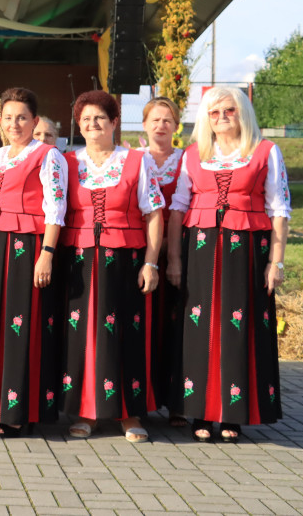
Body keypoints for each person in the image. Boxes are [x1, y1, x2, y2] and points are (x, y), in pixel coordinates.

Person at [166, 86, 290, 443]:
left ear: (243, 113)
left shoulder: (266, 152)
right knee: (199, 327)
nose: (222, 118)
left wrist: (275, 263)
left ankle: (233, 414)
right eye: (214, 112)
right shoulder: (193, 155)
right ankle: (200, 411)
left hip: (245, 248)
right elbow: (178, 209)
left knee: (238, 327)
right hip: (199, 250)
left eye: (229, 111)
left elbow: (278, 209)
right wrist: (173, 259)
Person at [60, 90, 164, 443]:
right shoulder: (67, 161)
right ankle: (86, 412)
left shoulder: (137, 160)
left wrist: (151, 263)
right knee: (83, 334)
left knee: (126, 335)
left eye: (100, 118)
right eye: (86, 120)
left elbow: (153, 214)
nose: (93, 125)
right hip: (80, 259)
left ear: (114, 123)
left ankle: (129, 413)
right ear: (79, 126)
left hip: (125, 259)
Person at [0, 88, 67, 437]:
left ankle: (18, 409)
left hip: (29, 247)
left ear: (35, 121)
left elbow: (56, 208)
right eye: (9, 117)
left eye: (22, 117)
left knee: (22, 327)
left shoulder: (48, 155)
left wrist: (47, 254)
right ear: (0, 121)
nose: (15, 124)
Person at [137, 97, 185, 426]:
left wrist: (173, 249)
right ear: (144, 124)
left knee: (177, 328)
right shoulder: (133, 159)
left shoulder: (188, 160)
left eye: (167, 120)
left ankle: (177, 402)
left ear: (176, 125)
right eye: (155, 120)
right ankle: (139, 397)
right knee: (142, 327)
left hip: (179, 254)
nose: (160, 126)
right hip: (141, 255)